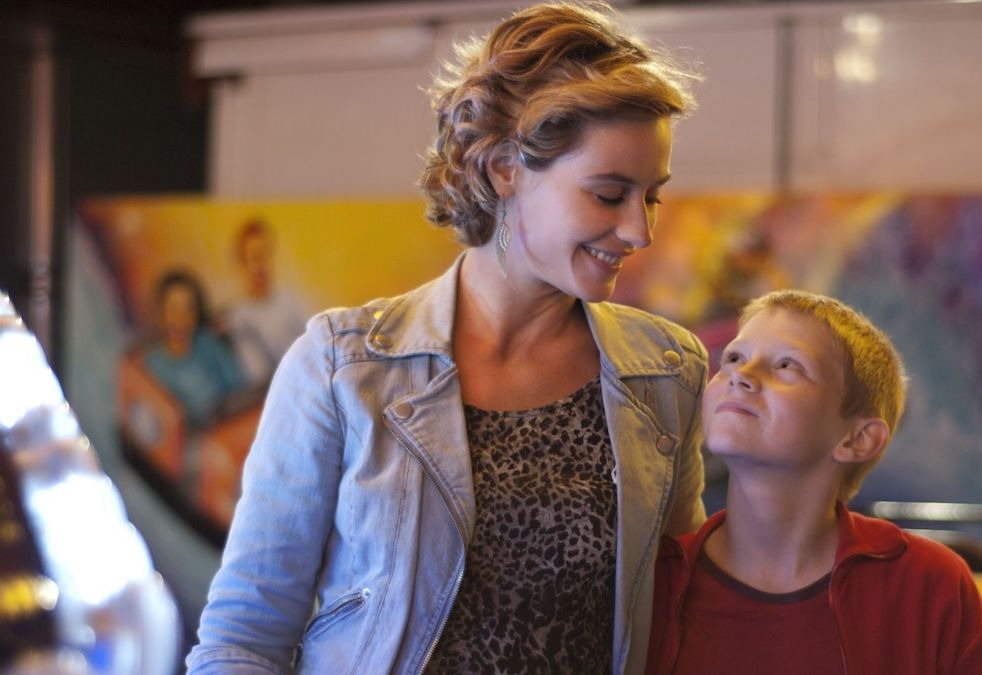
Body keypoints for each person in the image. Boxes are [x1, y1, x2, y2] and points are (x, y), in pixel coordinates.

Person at [186, 3, 707, 673]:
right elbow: (243, 637)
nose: (640, 230)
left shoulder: (666, 372)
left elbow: (684, 620)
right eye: (609, 195)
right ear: (503, 170)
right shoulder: (343, 364)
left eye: (651, 196)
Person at [646, 289, 982, 675]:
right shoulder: (649, 583)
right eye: (733, 358)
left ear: (857, 439)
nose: (740, 376)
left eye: (787, 365)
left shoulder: (929, 587)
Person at [142, 269, 245, 429]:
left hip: (229, 427)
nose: (180, 318)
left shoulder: (207, 343)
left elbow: (239, 386)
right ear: (160, 313)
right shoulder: (151, 367)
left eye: (188, 309)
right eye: (173, 308)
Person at [226, 217, 310, 388]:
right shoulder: (240, 318)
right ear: (243, 264)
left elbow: (316, 341)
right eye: (254, 257)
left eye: (265, 255)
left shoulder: (289, 299)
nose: (261, 265)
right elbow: (259, 374)